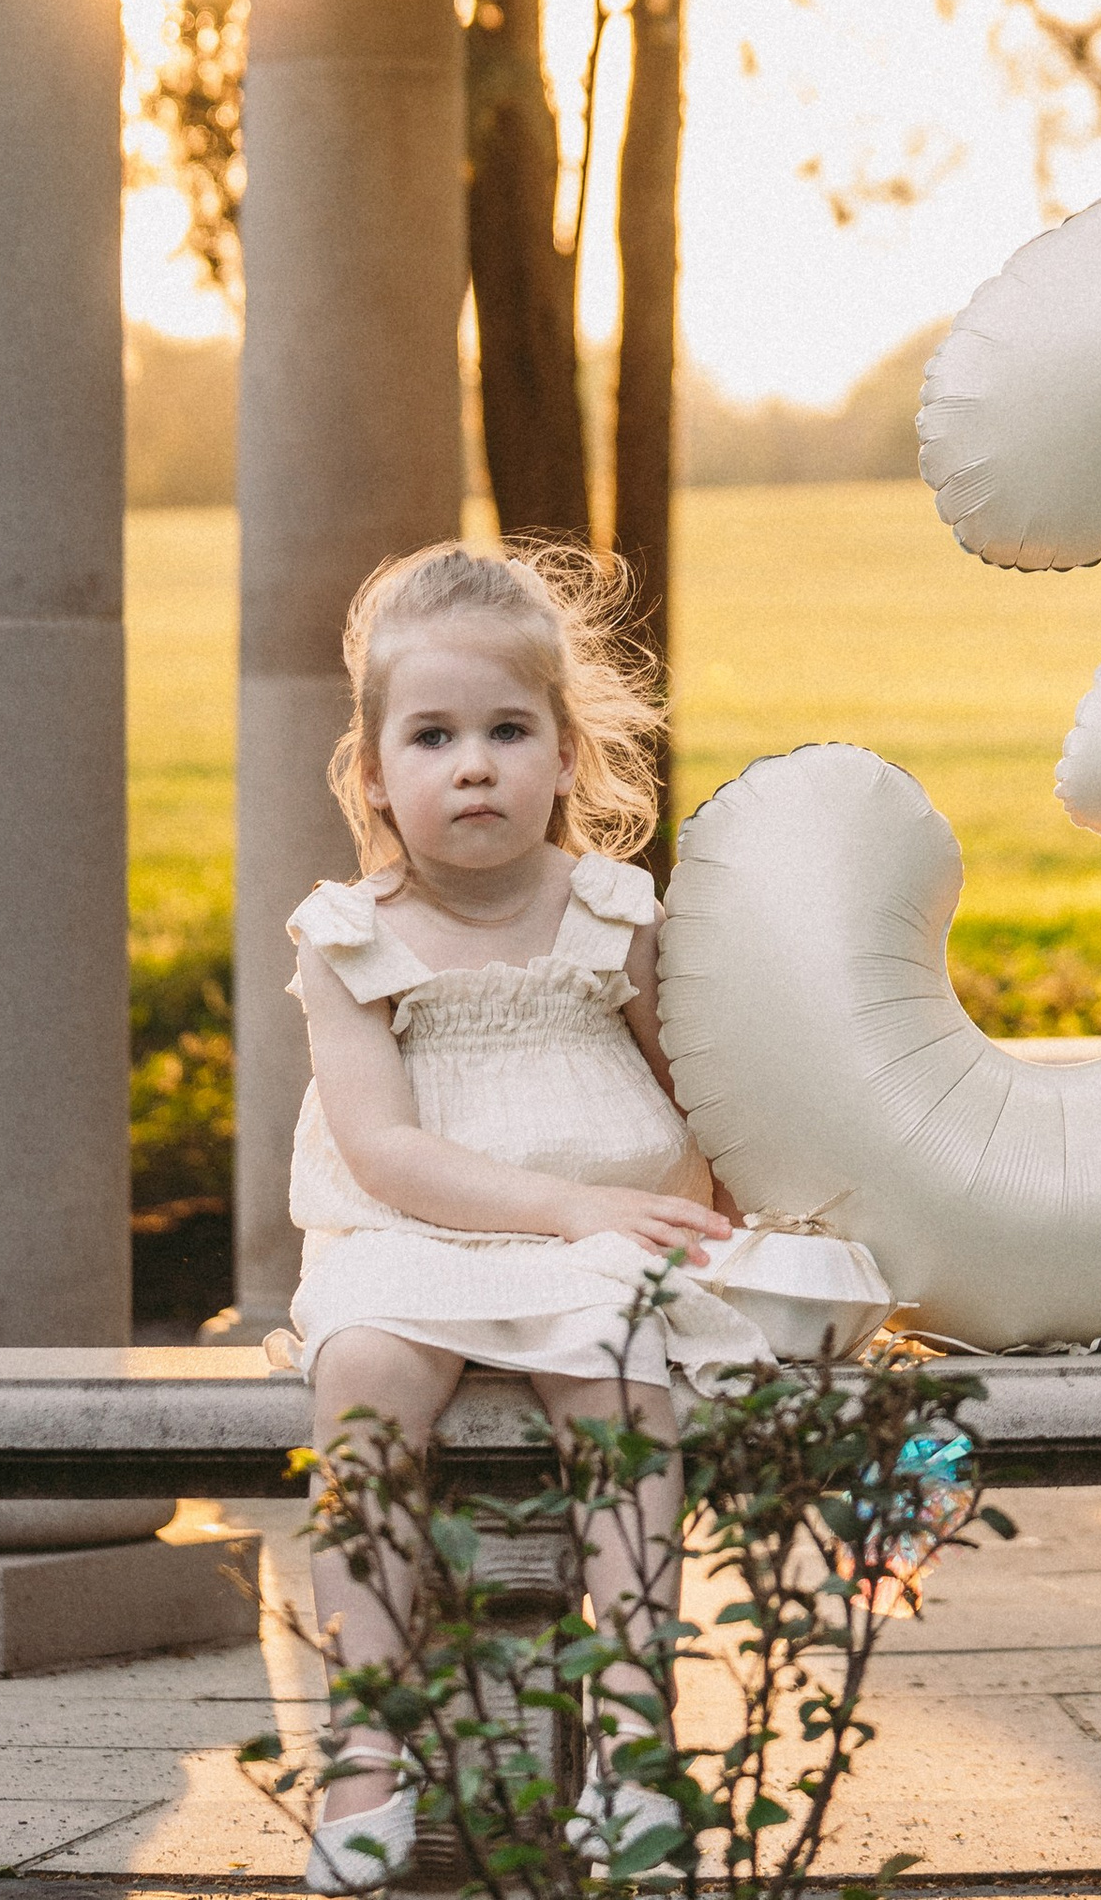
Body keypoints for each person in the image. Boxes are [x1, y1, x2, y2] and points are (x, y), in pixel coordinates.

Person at [283, 540, 774, 1889]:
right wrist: (563, 1206)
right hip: (411, 1237)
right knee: (363, 1377)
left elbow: (699, 1088)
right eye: (432, 736)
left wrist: (751, 1220)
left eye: (508, 730)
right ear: (373, 773)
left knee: (621, 1375)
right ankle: (365, 1753)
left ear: (566, 755)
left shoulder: (611, 912)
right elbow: (385, 1151)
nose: (474, 767)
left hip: (603, 1246)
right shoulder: (351, 937)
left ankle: (632, 1743)